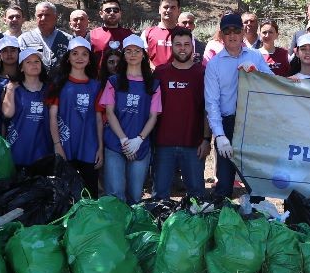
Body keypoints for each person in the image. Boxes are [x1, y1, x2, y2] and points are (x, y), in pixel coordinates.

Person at [204, 12, 273, 198]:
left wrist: (257, 72)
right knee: (224, 181)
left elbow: (272, 83)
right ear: (221, 36)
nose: (232, 35)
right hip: (228, 124)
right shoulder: (214, 65)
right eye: (227, 32)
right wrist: (219, 135)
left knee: (255, 180)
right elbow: (212, 103)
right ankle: (222, 220)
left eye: (236, 30)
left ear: (243, 32)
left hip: (252, 123)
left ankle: (258, 220)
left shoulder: (256, 56)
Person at [100, 35, 160, 203]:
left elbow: (153, 116)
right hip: (115, 143)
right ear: (124, 55)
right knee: (115, 193)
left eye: (137, 51)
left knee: (135, 194)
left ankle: (133, 227)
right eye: (128, 51)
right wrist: (124, 140)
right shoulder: (113, 81)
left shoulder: (153, 84)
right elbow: (110, 113)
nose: (133, 54)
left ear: (143, 54)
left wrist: (138, 140)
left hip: (140, 145)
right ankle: (116, 227)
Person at [152, 27, 210, 200]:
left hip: (193, 144)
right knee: (160, 194)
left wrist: (207, 139)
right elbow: (152, 108)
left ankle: (195, 226)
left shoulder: (202, 73)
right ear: (172, 47)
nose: (182, 48)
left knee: (197, 195)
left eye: (186, 44)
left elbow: (208, 108)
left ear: (192, 46)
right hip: (164, 144)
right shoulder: (160, 72)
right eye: (178, 44)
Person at [47, 36, 104, 196]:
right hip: (65, 145)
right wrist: (57, 145)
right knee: (65, 193)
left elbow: (99, 119)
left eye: (84, 54)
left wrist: (100, 147)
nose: (79, 57)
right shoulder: (59, 84)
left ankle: (90, 220)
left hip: (89, 146)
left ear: (90, 59)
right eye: (75, 53)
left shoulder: (95, 86)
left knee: (90, 192)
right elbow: (53, 117)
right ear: (68, 58)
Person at [2, 47, 51, 169]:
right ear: (21, 68)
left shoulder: (49, 89)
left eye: (37, 61)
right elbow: (7, 114)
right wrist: (10, 90)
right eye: (28, 62)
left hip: (43, 149)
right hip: (19, 148)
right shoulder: (14, 89)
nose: (34, 65)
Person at [19, 1, 71, 69]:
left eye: (47, 15)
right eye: (40, 15)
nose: (43, 19)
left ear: (56, 17)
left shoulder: (68, 39)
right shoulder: (24, 39)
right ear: (35, 18)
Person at [142, 0, 182, 69]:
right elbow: (142, 57)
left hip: (178, 78)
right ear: (159, 10)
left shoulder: (185, 34)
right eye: (166, 7)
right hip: (153, 78)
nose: (169, 10)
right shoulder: (147, 33)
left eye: (173, 8)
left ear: (179, 11)